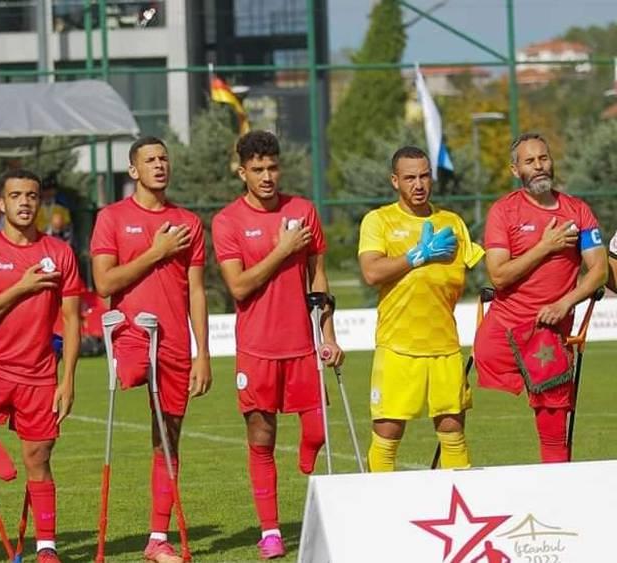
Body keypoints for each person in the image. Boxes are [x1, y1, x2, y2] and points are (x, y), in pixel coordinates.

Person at [211, 130, 342, 560]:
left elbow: (318, 278)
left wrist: (328, 335)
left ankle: (307, 453)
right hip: (257, 348)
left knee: (319, 431)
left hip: (303, 347)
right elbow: (240, 286)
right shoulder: (228, 221)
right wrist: (282, 248)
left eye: (272, 167)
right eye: (257, 169)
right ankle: (270, 530)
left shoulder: (303, 209)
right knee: (262, 437)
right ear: (242, 171)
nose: (267, 177)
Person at [90, 136, 212, 563]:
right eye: (150, 160)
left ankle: (157, 539)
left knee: (168, 437)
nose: (159, 165)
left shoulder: (189, 222)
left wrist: (203, 353)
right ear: (133, 170)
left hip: (176, 340)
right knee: (135, 378)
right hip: (132, 336)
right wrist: (156, 251)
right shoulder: (111, 218)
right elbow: (104, 284)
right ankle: (134, 368)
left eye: (163, 158)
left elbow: (197, 291)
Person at [0, 169, 82, 563]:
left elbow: (73, 319)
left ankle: (46, 547)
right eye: (16, 196)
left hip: (41, 373)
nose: (25, 203)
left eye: (32, 195)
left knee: (39, 461)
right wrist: (21, 288)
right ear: (1, 204)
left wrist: (68, 381)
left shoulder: (59, 253)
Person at [474, 133, 606, 463]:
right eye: (530, 161)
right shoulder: (503, 212)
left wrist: (565, 302)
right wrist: (545, 247)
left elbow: (599, 271)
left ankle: (557, 501)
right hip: (503, 332)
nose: (539, 166)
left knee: (553, 428)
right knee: (453, 410)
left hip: (550, 334)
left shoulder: (577, 210)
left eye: (543, 158)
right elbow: (499, 275)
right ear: (515, 169)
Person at [357, 146, 485, 473]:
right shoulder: (379, 220)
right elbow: (371, 272)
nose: (418, 184)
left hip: (444, 346)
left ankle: (458, 514)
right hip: (398, 345)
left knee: (452, 431)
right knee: (388, 433)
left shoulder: (452, 223)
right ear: (394, 181)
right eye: (410, 177)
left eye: (424, 176)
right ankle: (379, 511)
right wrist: (418, 256)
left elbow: (485, 270)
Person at [36, 175, 72, 241]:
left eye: (50, 190)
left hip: (58, 237)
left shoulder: (61, 206)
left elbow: (67, 224)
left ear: (55, 191)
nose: (48, 193)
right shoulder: (36, 207)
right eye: (45, 190)